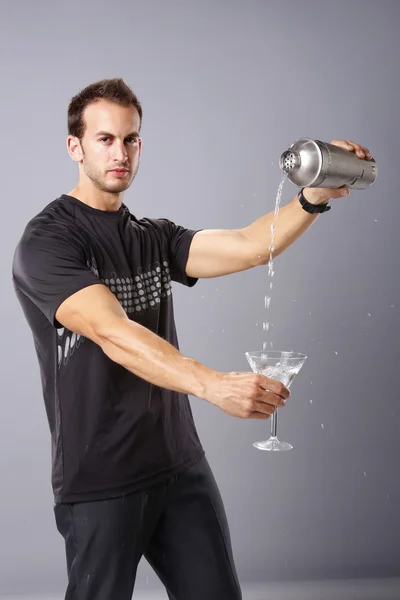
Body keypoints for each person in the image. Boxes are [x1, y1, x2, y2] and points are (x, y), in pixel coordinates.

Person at [11, 77, 373, 600]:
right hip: (101, 479)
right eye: (105, 139)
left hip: (179, 464)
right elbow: (113, 332)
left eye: (131, 139)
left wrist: (311, 198)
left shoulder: (152, 236)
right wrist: (213, 385)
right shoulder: (47, 243)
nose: (121, 153)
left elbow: (252, 246)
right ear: (76, 147)